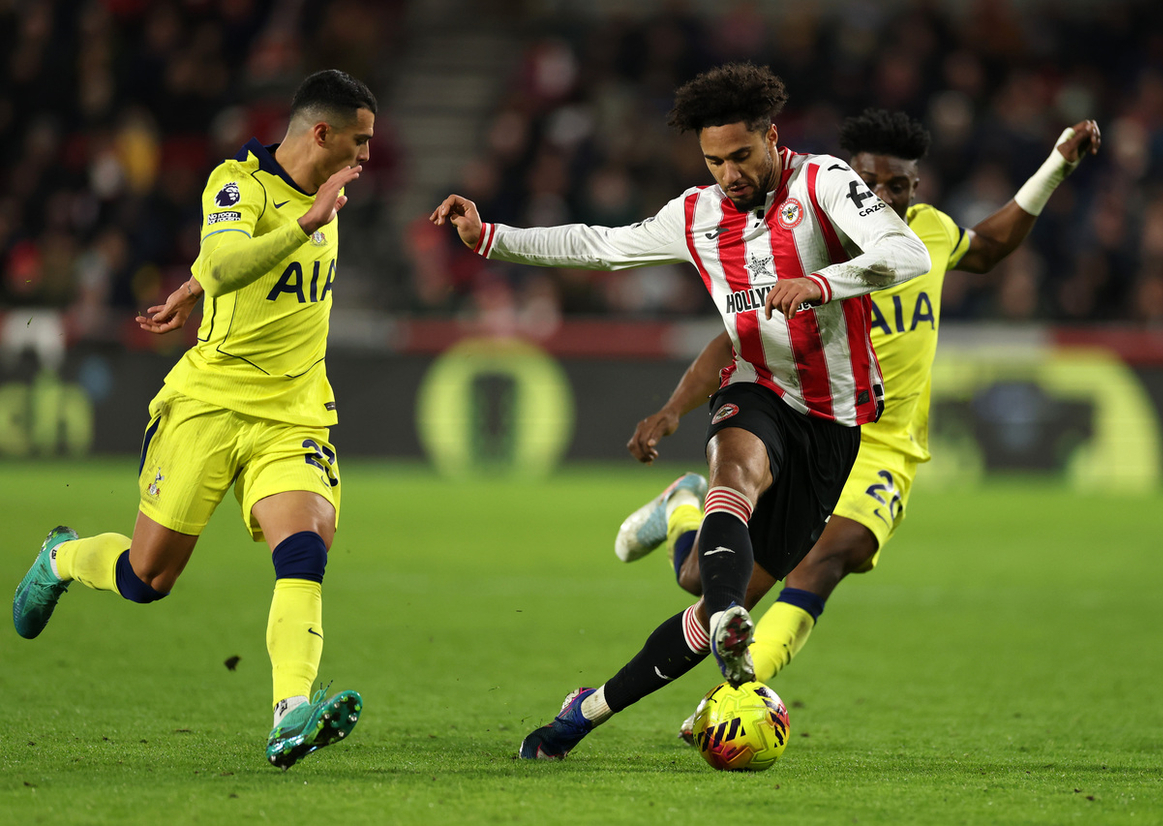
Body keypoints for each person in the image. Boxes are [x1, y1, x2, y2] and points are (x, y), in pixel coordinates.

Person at [432, 63, 932, 760]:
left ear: (771, 138)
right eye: (714, 161)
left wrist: (821, 283)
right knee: (737, 475)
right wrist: (490, 237)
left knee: (699, 580)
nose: (729, 174)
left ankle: (591, 698)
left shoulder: (822, 181)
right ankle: (693, 641)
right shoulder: (695, 215)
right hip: (757, 385)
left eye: (741, 156)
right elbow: (600, 245)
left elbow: (907, 253)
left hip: (834, 423)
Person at [617, 108, 1101, 736]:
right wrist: (673, 410)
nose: (883, 195)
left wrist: (1057, 164)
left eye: (898, 185)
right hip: (808, 428)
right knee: (703, 587)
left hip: (887, 448)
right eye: (870, 182)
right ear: (849, 178)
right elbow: (738, 338)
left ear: (915, 187)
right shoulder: (817, 239)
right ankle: (684, 506)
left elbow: (990, 247)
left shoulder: (928, 235)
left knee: (834, 554)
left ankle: (735, 696)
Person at [12, 69, 376, 770]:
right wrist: (297, 227)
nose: (366, 156)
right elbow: (228, 259)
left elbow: (230, 274)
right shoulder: (237, 184)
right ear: (321, 133)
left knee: (305, 548)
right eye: (358, 142)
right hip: (209, 405)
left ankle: (290, 714)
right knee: (145, 579)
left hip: (293, 413)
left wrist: (195, 286)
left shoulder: (330, 193)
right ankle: (60, 558)